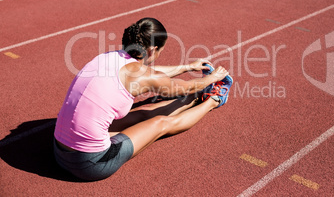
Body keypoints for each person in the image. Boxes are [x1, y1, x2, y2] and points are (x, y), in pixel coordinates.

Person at [53, 17, 233, 181]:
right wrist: (212, 78)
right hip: (89, 164)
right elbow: (184, 87)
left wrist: (187, 67)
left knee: (139, 115)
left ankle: (198, 98)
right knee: (160, 123)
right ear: (152, 49)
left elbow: (151, 75)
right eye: (161, 50)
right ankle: (214, 99)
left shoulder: (107, 57)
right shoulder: (140, 74)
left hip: (59, 150)